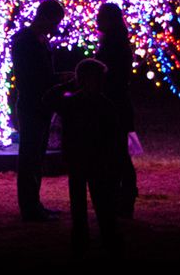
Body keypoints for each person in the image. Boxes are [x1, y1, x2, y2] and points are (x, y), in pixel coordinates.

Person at [44, 58, 123, 255]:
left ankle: (85, 239)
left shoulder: (74, 102)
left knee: (85, 201)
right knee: (98, 200)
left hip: (83, 158)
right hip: (91, 159)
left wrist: (70, 83)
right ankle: (103, 238)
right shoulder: (99, 104)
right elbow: (113, 136)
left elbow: (49, 98)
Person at [12, 0, 66, 222]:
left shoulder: (39, 40)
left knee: (36, 156)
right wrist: (58, 80)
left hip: (40, 104)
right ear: (44, 17)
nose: (55, 28)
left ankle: (34, 203)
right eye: (54, 22)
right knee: (30, 157)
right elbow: (32, 77)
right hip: (32, 104)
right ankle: (29, 207)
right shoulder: (26, 41)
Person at [94, 2, 137, 218]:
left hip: (113, 105)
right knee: (117, 154)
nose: (96, 20)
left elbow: (111, 77)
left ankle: (124, 197)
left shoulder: (113, 46)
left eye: (100, 16)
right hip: (117, 104)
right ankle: (123, 197)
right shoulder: (116, 44)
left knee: (117, 154)